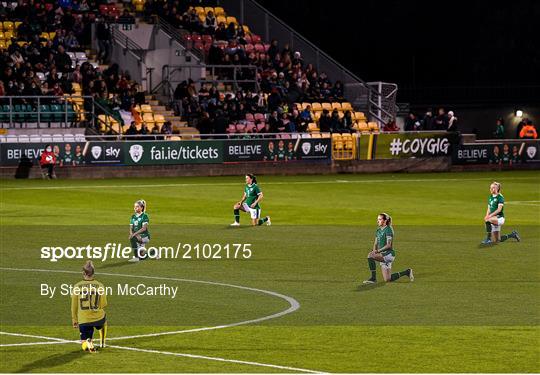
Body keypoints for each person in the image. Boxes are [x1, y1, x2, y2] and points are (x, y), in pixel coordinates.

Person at [363, 213, 413, 284]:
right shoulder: (378, 230)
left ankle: (373, 278)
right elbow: (376, 243)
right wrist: (374, 250)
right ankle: (407, 272)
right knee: (387, 279)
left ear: (385, 220)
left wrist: (377, 251)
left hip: (389, 254)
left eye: (380, 219)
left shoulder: (388, 229)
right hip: (382, 255)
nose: (378, 221)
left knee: (370, 256)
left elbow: (389, 245)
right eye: (377, 219)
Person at [71, 260, 108, 352]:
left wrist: (74, 319)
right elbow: (104, 304)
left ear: (83, 273)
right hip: (98, 318)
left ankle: (88, 342)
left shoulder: (77, 286)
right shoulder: (100, 285)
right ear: (93, 273)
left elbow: (74, 306)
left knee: (83, 343)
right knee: (104, 320)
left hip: (84, 320)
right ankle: (102, 342)